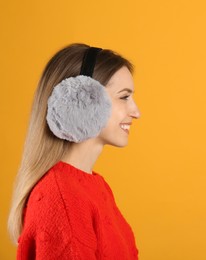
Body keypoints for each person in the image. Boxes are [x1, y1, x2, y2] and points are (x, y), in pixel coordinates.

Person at [7, 43, 141, 259]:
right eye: (124, 97)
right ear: (83, 101)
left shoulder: (95, 186)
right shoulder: (62, 199)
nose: (136, 112)